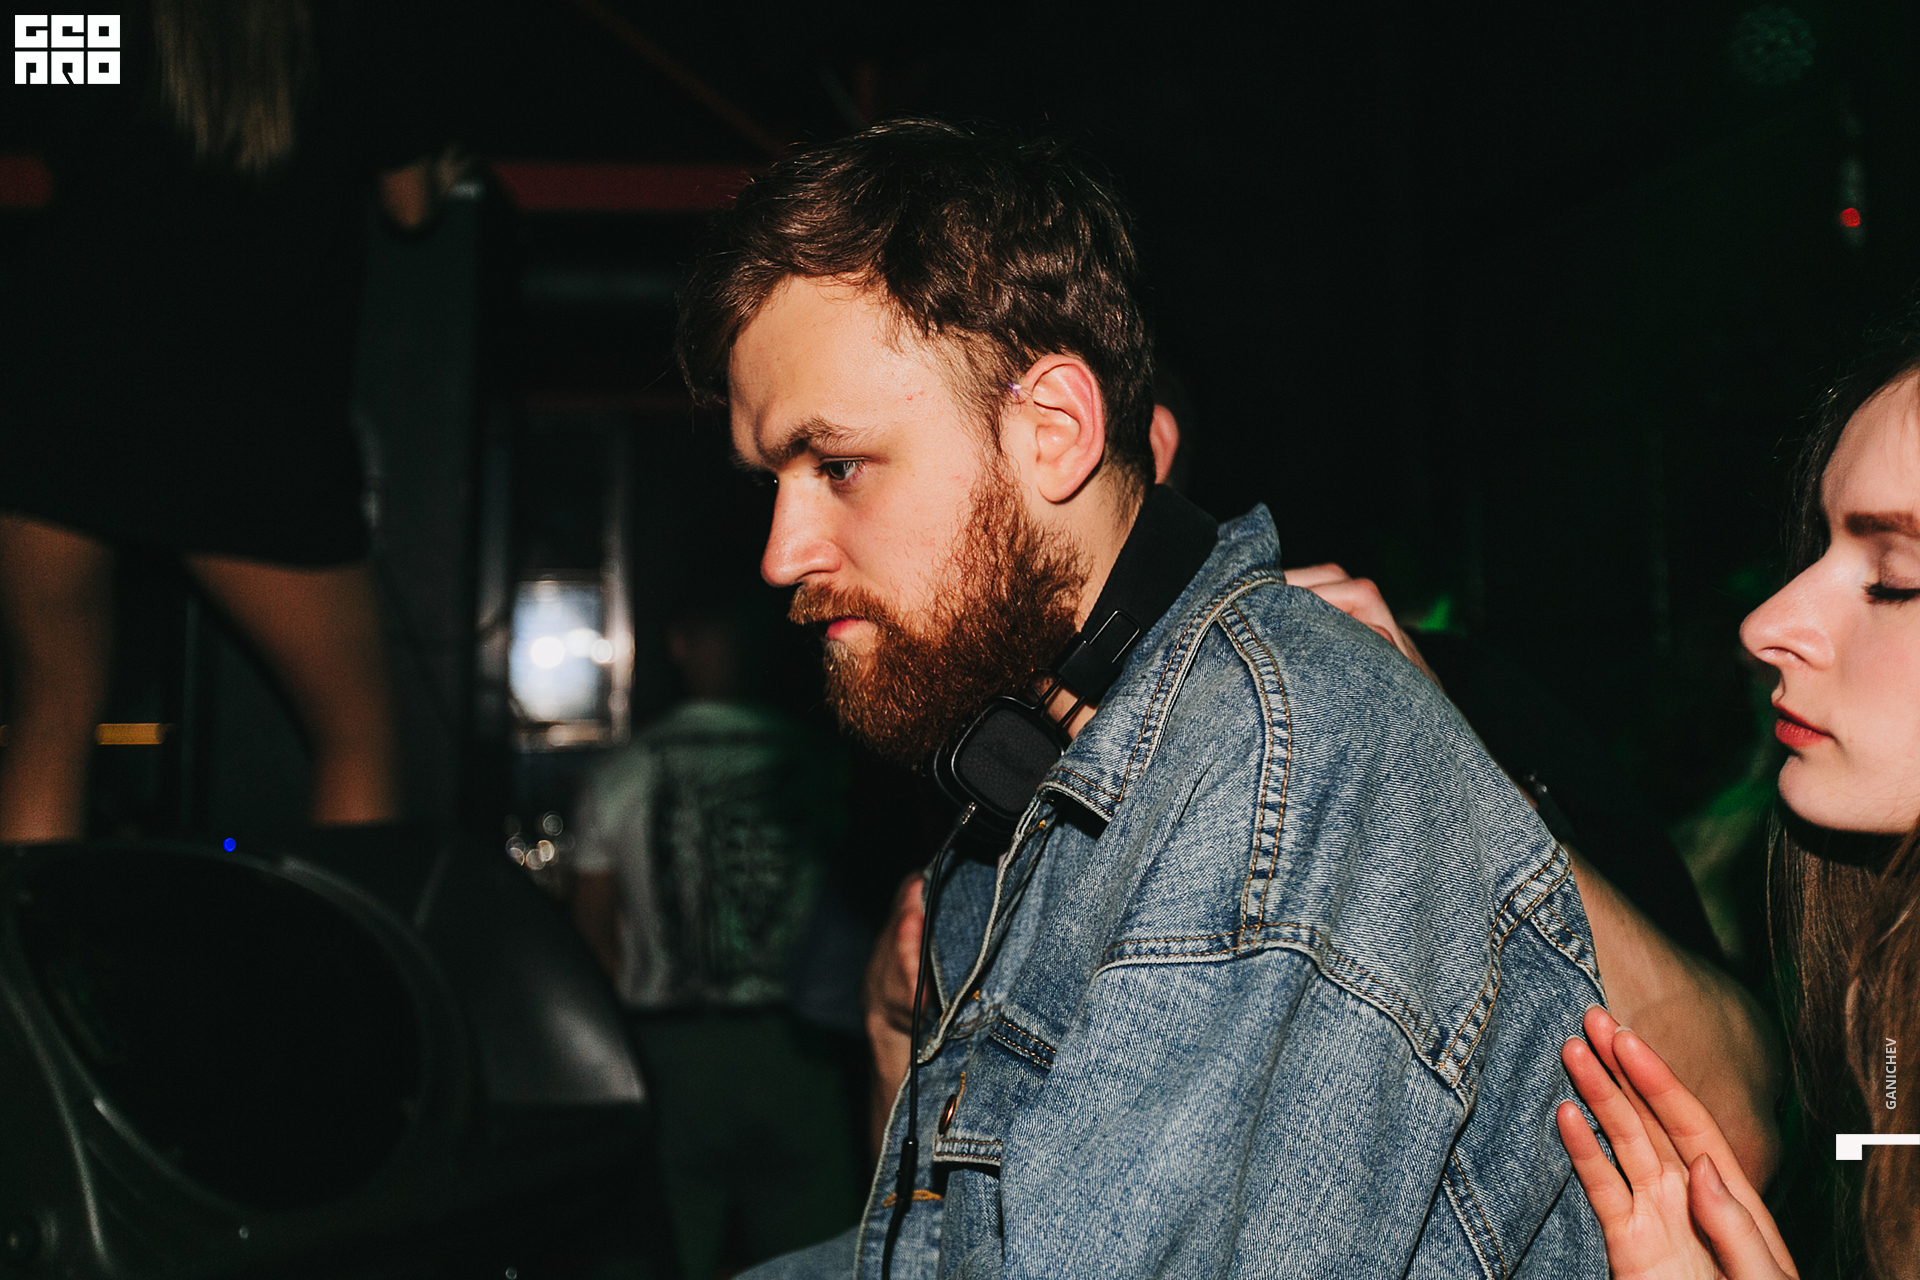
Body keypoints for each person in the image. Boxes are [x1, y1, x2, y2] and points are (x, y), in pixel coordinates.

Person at [671, 116, 1757, 1278]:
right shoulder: (1045, 779)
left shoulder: (1266, 756)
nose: (781, 552)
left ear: (1053, 432)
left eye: (836, 465)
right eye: (773, 481)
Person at [0, 0, 457, 840]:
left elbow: (35, 86)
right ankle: (337, 933)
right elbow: (411, 206)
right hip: (246, 409)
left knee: (49, 714)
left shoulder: (97, 15)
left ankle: (20, 935)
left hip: (62, 380)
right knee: (355, 734)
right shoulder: (364, 17)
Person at [1544, 324, 1920, 1279]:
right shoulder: (1884, 982)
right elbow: (1876, 1148)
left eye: (1894, 581)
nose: (1764, 626)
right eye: (1821, 547)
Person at [571, 592, 865, 1279]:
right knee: (812, 1255)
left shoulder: (620, 771)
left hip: (672, 1050)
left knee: (671, 1251)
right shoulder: (819, 760)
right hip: (794, 1047)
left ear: (679, 644)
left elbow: (591, 933)